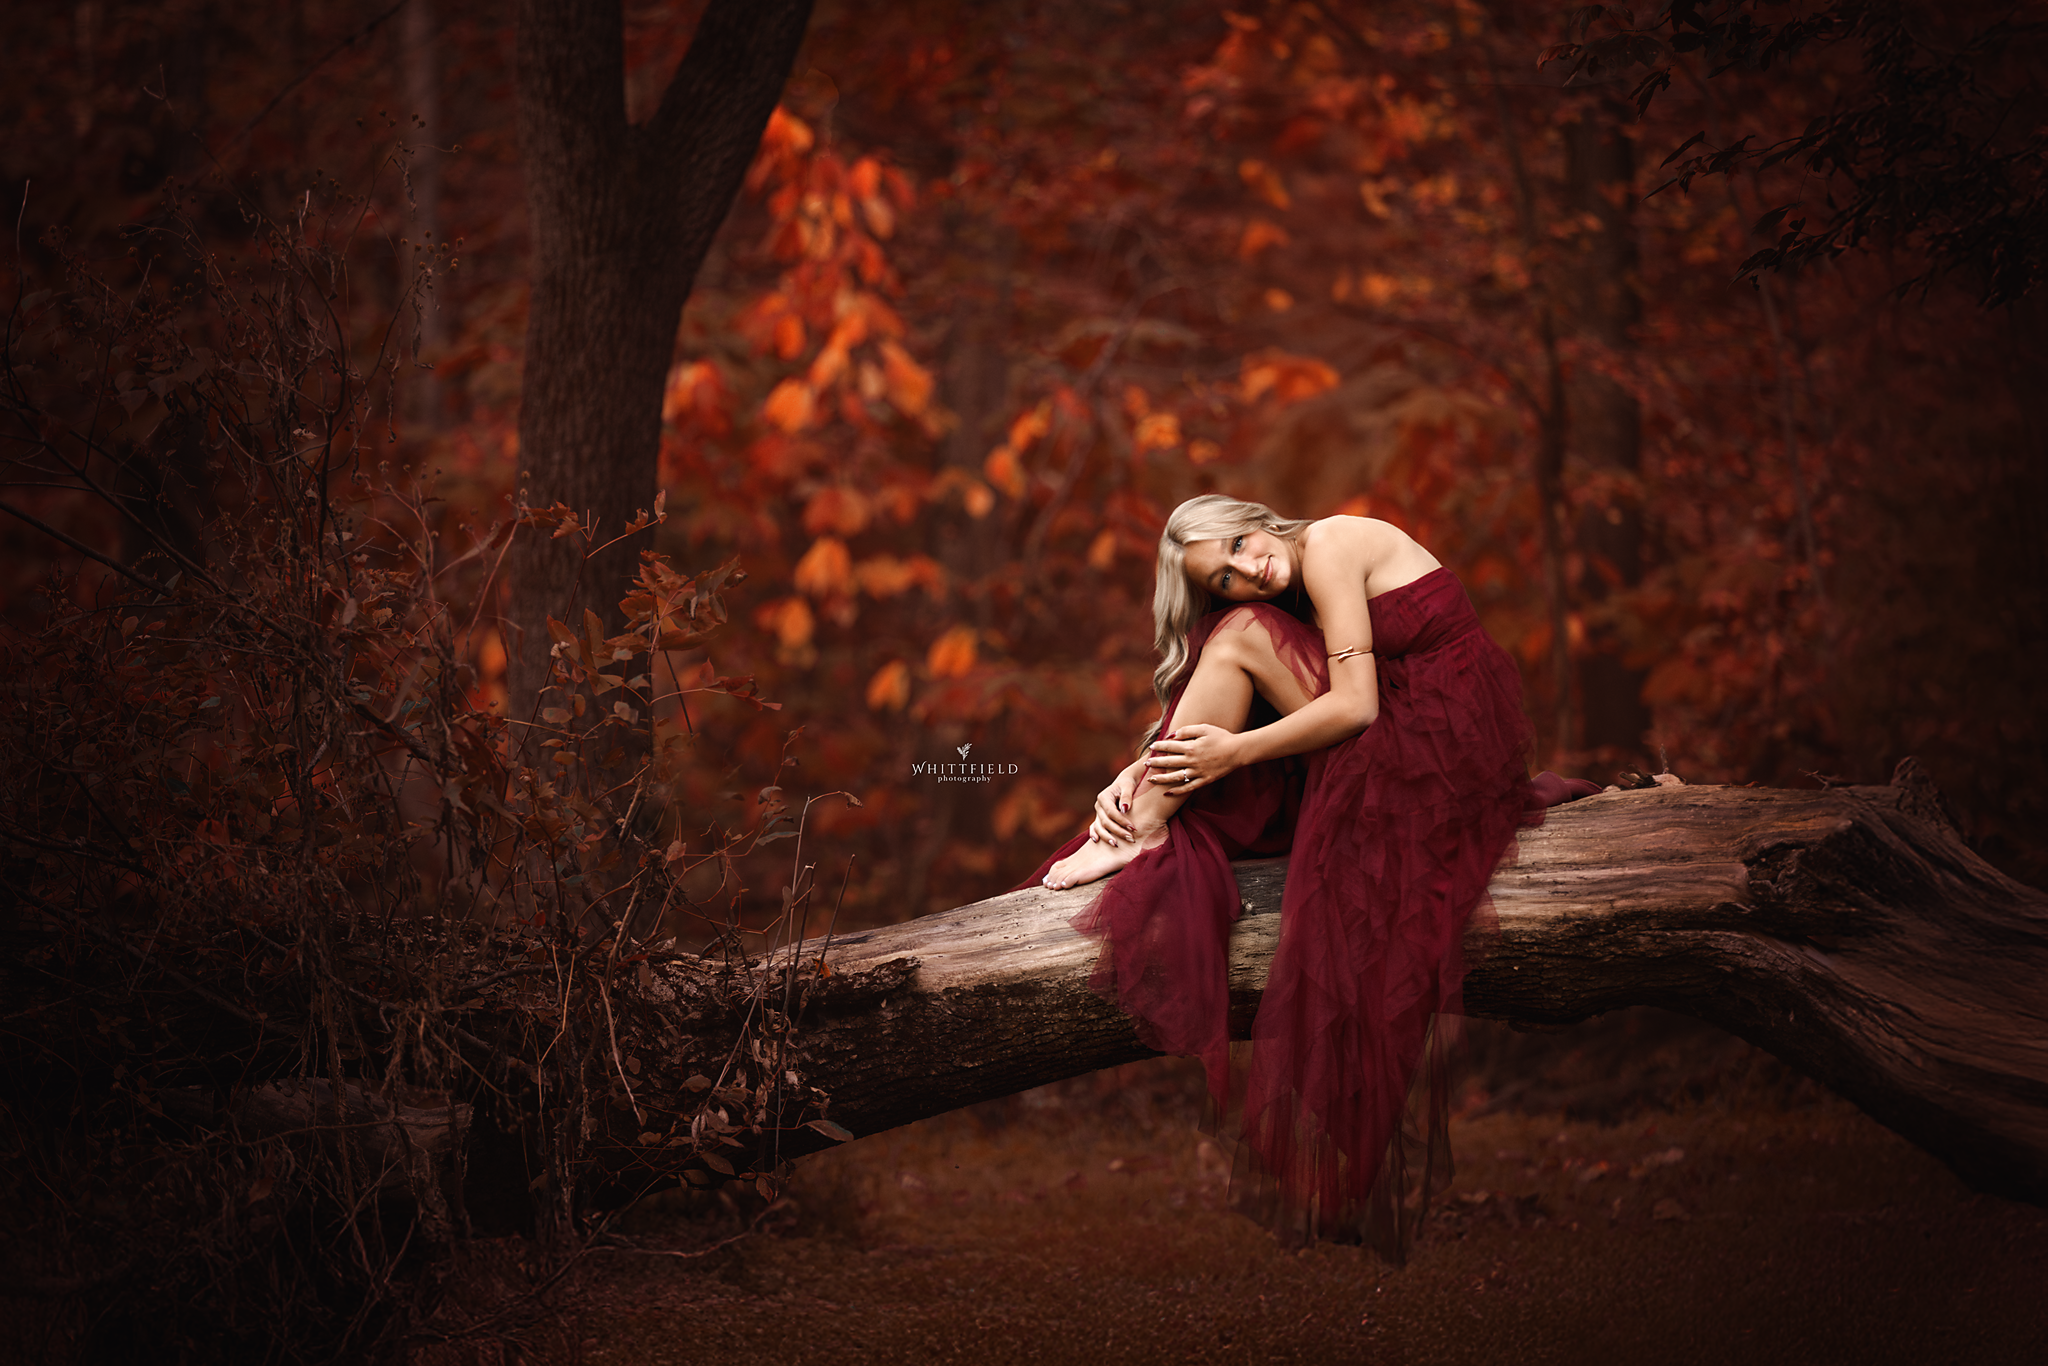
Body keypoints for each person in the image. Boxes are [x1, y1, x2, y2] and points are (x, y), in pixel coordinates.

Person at [1023, 494, 1560, 1259]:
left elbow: (1357, 707)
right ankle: (1143, 807)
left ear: (1258, 516)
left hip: (1436, 743)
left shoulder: (1333, 543)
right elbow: (1249, 687)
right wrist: (1139, 763)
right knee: (1233, 635)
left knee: (1240, 637)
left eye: (1240, 544)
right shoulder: (1286, 585)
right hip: (1424, 728)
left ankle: (1142, 826)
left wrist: (1232, 756)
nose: (1248, 569)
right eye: (1227, 575)